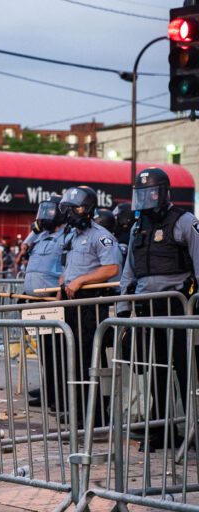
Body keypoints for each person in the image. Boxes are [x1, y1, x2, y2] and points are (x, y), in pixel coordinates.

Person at [118, 167, 199, 450]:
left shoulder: (185, 222)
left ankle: (193, 430)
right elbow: (128, 274)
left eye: (151, 192)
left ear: (163, 192)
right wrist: (121, 311)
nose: (146, 199)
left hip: (177, 308)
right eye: (141, 194)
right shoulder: (138, 227)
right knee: (156, 370)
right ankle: (162, 431)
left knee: (186, 371)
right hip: (145, 309)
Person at [57, 186, 120, 425]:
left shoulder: (101, 236)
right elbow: (67, 268)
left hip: (90, 306)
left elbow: (111, 269)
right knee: (72, 358)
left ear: (89, 209)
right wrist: (61, 289)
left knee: (89, 358)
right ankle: (79, 410)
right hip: (71, 303)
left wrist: (81, 280)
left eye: (77, 208)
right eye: (69, 209)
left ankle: (95, 415)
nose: (72, 213)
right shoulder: (71, 235)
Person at [21, 194, 66, 410]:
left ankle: (59, 394)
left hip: (53, 298)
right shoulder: (41, 235)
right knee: (46, 350)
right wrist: (34, 229)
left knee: (57, 351)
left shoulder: (67, 235)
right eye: (44, 210)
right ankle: (49, 390)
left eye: (50, 211)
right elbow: (25, 245)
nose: (45, 215)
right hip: (37, 299)